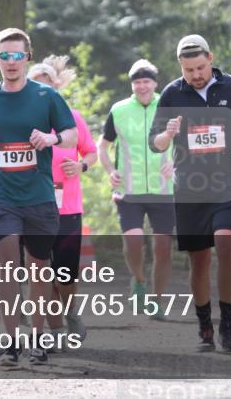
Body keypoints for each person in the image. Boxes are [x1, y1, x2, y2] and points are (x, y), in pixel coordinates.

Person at [0, 28, 78, 368]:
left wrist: (51, 138)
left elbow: (71, 135)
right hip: (0, 197)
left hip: (40, 197)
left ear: (27, 57)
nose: (11, 62)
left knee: (39, 268)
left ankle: (38, 339)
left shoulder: (46, 97)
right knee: (7, 261)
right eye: (5, 55)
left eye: (17, 56)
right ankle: (11, 342)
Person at [150, 35, 231, 353]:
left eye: (200, 67)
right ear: (180, 68)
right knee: (199, 261)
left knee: (226, 244)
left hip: (227, 184)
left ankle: (228, 325)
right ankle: (204, 326)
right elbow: (153, 141)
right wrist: (167, 135)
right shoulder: (172, 93)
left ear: (211, 58)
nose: (196, 75)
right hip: (190, 188)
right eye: (189, 70)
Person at [27, 56, 98, 343]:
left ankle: (72, 313)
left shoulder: (72, 119)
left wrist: (80, 166)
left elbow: (91, 152)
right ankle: (55, 331)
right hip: (33, 205)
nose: (42, 94)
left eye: (48, 88)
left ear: (56, 89)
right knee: (41, 271)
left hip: (68, 206)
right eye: (36, 87)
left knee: (65, 273)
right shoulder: (22, 124)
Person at [97, 59, 175, 318]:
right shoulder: (119, 110)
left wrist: (176, 164)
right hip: (129, 190)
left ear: (155, 83)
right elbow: (102, 145)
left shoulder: (170, 106)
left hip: (163, 190)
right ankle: (139, 280)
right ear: (132, 84)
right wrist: (111, 171)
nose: (142, 86)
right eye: (137, 82)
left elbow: (189, 144)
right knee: (133, 241)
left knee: (162, 247)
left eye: (146, 81)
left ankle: (157, 300)